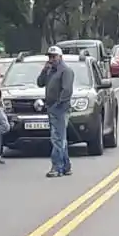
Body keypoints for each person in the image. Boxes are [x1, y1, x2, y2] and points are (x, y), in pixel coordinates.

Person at [36, 45, 74, 178]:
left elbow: (67, 90)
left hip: (60, 108)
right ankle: (66, 166)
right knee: (60, 138)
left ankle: (57, 166)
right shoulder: (50, 71)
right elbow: (40, 83)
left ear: (60, 57)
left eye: (54, 56)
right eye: (50, 57)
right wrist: (44, 70)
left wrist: (59, 104)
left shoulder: (66, 71)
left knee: (57, 138)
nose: (51, 59)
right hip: (51, 107)